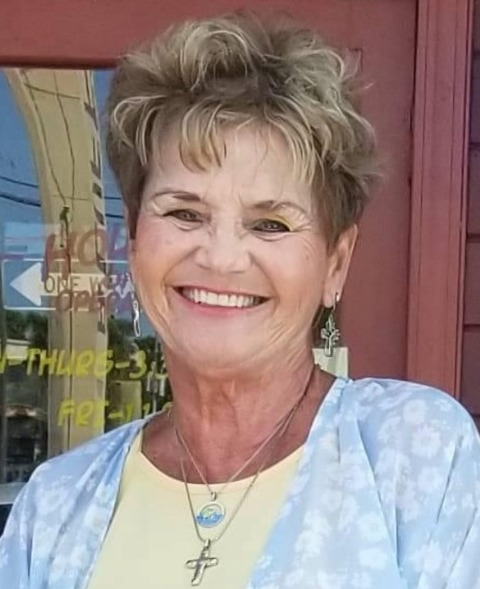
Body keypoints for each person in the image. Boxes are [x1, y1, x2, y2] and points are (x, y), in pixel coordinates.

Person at [1, 11, 480, 589]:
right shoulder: (54, 507)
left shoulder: (415, 453)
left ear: (335, 263)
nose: (222, 258)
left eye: (270, 224)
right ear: (135, 235)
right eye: (185, 213)